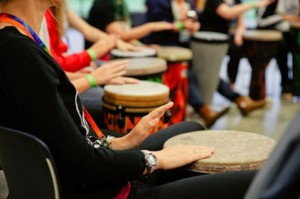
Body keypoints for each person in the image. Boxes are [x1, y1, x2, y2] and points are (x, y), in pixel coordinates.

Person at [0, 0, 257, 198]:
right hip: (104, 191)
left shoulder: (14, 41)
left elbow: (64, 140)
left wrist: (121, 143)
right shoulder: (22, 54)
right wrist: (154, 159)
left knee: (193, 129)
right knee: (253, 180)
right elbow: (84, 165)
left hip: (90, 173)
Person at [144, 0, 269, 128]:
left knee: (205, 71)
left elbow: (194, 21)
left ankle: (234, 102)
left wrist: (194, 26)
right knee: (190, 73)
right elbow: (157, 25)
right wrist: (182, 26)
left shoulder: (189, 3)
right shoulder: (158, 2)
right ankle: (209, 108)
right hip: (162, 44)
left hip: (184, 44)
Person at [86, 0, 175, 48]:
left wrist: (142, 46)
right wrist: (151, 27)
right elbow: (119, 35)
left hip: (115, 50)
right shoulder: (103, 4)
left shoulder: (121, 4)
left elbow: (128, 36)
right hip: (99, 57)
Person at [256, 0, 294, 99]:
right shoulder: (266, 3)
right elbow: (261, 21)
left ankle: (286, 85)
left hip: (280, 34)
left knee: (284, 53)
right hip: (266, 34)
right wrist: (281, 17)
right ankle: (261, 90)